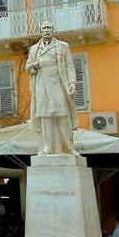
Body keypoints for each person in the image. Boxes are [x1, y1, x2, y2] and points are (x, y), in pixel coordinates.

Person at [25, 21, 78, 156]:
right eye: (44, 28)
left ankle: (69, 147)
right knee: (45, 117)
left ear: (53, 30)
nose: (46, 30)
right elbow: (28, 67)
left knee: (62, 115)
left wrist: (72, 83)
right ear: (41, 31)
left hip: (58, 84)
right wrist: (34, 66)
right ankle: (47, 147)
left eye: (49, 27)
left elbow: (70, 66)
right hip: (41, 86)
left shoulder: (62, 46)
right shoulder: (34, 49)